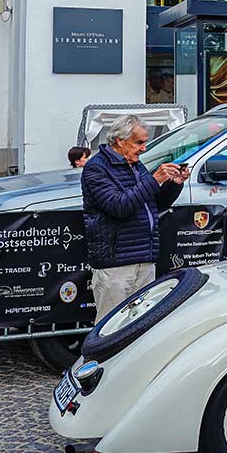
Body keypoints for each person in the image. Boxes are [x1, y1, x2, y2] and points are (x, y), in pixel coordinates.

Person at [82, 115, 187, 319]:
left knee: (141, 323)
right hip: (116, 264)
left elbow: (157, 203)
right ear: (120, 140)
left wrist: (174, 183)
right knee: (111, 326)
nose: (144, 148)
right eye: (139, 142)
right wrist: (155, 179)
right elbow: (118, 206)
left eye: (145, 142)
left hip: (144, 258)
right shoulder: (96, 167)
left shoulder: (135, 165)